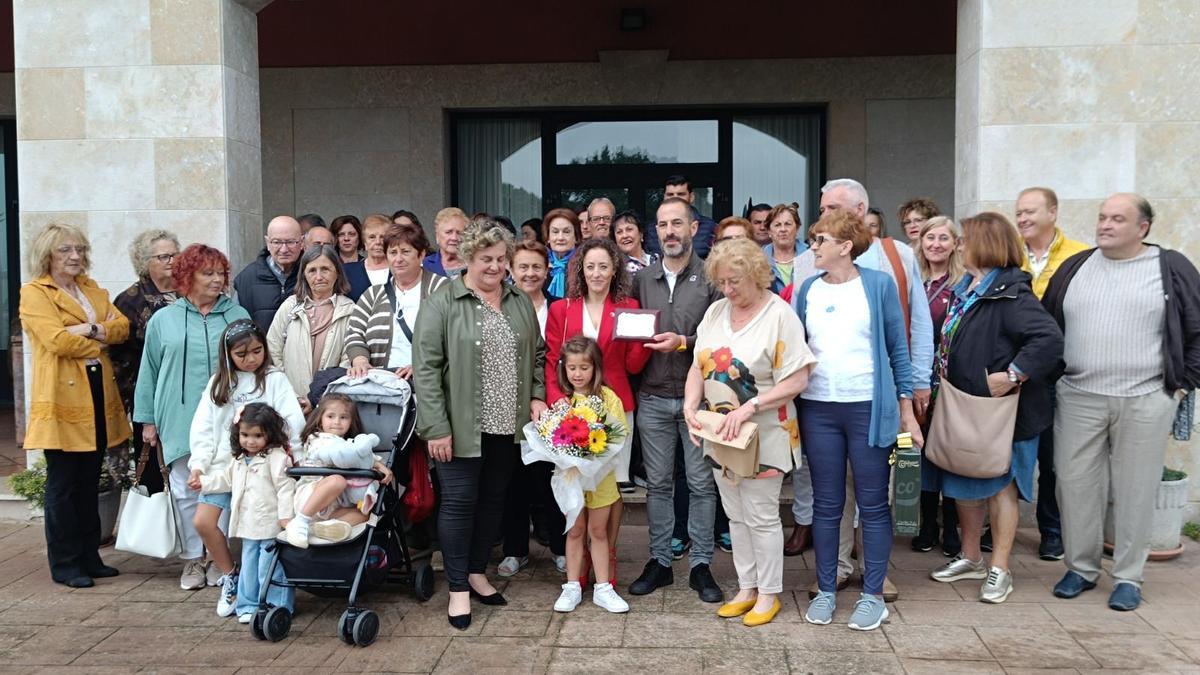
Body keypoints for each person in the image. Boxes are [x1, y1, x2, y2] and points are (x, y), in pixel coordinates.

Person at [1043, 193, 1200, 611]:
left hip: (1145, 398)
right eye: (1102, 217)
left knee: (1135, 490)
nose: (1105, 225)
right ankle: (1081, 569)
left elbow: (1197, 330)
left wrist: (1180, 386)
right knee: (1074, 486)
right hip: (1078, 396)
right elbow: (1049, 324)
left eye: (1117, 218)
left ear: (1142, 227)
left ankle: (1129, 576)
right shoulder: (1075, 267)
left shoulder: (1170, 268)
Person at [786, 178, 934, 604]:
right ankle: (830, 582)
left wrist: (908, 405)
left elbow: (900, 345)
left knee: (874, 500)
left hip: (869, 405)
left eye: (822, 237)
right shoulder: (808, 282)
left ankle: (874, 585)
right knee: (828, 502)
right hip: (818, 408)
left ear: (848, 241)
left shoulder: (884, 275)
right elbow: (795, 343)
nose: (813, 243)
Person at [412, 220, 548, 630]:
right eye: (486, 259)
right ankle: (456, 587)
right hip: (459, 428)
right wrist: (436, 427)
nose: (494, 267)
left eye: (501, 259)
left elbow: (538, 354)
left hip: (508, 424)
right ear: (468, 258)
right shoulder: (443, 301)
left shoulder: (518, 300)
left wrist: (538, 395)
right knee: (459, 503)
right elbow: (426, 368)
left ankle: (475, 572)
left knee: (494, 501)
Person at [927, 213, 1063, 605]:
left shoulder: (1012, 293)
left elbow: (1048, 340)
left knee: (1002, 487)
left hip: (1005, 415)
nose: (958, 246)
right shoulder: (968, 287)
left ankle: (999, 568)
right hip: (966, 407)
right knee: (965, 482)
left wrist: (1014, 374)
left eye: (964, 240)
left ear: (985, 244)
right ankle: (970, 558)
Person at [682, 238, 816, 627]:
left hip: (766, 433)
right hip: (722, 433)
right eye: (722, 282)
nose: (728, 290)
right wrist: (692, 407)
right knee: (735, 514)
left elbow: (799, 378)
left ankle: (769, 594)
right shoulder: (715, 312)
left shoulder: (780, 314)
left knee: (760, 515)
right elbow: (697, 366)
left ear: (757, 274)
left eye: (735, 281)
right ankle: (747, 586)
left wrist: (750, 407)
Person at [20, 223, 131, 588]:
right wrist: (96, 332)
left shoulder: (91, 289)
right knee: (64, 485)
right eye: (65, 250)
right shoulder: (35, 293)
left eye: (79, 249)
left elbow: (122, 328)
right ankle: (65, 563)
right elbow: (56, 341)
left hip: (98, 391)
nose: (75, 256)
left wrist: (88, 330)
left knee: (89, 480)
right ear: (47, 254)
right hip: (63, 398)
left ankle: (90, 555)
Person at [135, 244, 251, 591]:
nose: (217, 280)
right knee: (186, 490)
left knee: (225, 488)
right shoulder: (163, 320)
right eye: (208, 273)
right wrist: (147, 420)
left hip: (229, 417)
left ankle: (220, 558)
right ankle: (191, 560)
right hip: (178, 415)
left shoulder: (237, 315)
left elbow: (252, 365)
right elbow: (149, 371)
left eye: (220, 274)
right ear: (188, 277)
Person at [627, 197, 725, 604]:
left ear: (694, 227)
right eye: (663, 225)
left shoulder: (712, 278)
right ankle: (661, 561)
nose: (670, 231)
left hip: (698, 401)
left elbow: (726, 338)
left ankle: (701, 565)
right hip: (652, 397)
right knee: (659, 485)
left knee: (702, 485)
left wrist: (685, 343)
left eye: (677, 224)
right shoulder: (642, 279)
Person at [545, 238, 650, 577]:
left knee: (612, 483)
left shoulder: (629, 307)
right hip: (572, 411)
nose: (597, 272)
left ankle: (608, 552)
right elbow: (551, 363)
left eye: (604, 266)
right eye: (590, 266)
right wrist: (559, 405)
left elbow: (634, 366)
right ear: (580, 269)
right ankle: (581, 557)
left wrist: (642, 338)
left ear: (615, 269)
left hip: (616, 409)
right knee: (576, 480)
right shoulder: (562, 310)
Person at [189, 319, 306, 617]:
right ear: (228, 355)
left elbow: (293, 422)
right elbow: (203, 427)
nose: (251, 359)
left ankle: (264, 594)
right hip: (223, 466)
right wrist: (198, 465)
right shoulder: (220, 383)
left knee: (264, 534)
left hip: (263, 469)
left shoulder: (274, 379)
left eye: (257, 351)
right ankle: (231, 575)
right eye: (242, 354)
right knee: (203, 521)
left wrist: (296, 461)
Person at [1015, 186, 1088, 561]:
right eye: (1019, 213)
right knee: (1013, 451)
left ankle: (1052, 530)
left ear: (1053, 212)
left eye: (1030, 212)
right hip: (1021, 372)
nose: (1023, 219)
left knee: (1055, 458)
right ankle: (1001, 526)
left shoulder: (1081, 256)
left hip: (1064, 373)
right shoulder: (1012, 257)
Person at [500, 240, 567, 576]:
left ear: (547, 270)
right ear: (510, 269)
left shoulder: (559, 308)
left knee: (551, 479)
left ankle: (560, 546)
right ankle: (515, 549)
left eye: (536, 267)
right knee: (513, 480)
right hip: (508, 406)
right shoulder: (500, 305)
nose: (529, 273)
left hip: (551, 405)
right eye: (523, 267)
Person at [552, 336, 632, 614]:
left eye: (584, 368)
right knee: (575, 530)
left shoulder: (609, 399)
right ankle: (572, 585)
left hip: (601, 477)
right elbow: (554, 437)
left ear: (595, 368)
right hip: (571, 477)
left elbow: (618, 435)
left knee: (598, 531)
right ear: (564, 368)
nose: (577, 374)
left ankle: (603, 588)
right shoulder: (562, 401)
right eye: (572, 367)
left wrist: (592, 454)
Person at [198, 403, 296, 623]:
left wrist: (286, 517)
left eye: (257, 435)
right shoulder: (239, 459)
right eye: (244, 434)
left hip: (270, 522)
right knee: (250, 565)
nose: (250, 441)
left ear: (270, 434)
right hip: (248, 524)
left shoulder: (277, 458)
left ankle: (278, 604)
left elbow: (285, 488)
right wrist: (203, 482)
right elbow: (225, 479)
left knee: (269, 565)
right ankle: (248, 604)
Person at [111, 229, 180, 495]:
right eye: (163, 256)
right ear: (144, 262)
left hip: (186, 394)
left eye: (175, 254)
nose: (171, 261)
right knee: (152, 465)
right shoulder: (130, 299)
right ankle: (158, 531)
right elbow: (120, 356)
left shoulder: (189, 292)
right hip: (150, 395)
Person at [911, 216, 965, 557]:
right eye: (930, 237)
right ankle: (926, 523)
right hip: (919, 379)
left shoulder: (963, 284)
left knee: (950, 454)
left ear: (955, 243)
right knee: (923, 453)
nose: (935, 244)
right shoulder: (913, 280)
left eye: (943, 238)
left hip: (952, 381)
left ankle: (952, 526)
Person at [286, 393, 392, 547]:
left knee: (363, 515)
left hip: (334, 505)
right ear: (320, 419)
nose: (337, 422)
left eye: (343, 417)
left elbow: (357, 454)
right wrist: (375, 463)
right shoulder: (317, 439)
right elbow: (345, 455)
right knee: (337, 480)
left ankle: (320, 529)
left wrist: (379, 466)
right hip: (312, 496)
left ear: (351, 421)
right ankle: (300, 521)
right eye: (330, 416)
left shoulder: (347, 444)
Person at [345, 223, 449, 379]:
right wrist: (360, 361)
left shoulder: (443, 289)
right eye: (393, 252)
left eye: (405, 252)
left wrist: (424, 365)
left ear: (421, 255)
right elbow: (354, 332)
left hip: (428, 381)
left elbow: (454, 337)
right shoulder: (374, 294)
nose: (398, 259)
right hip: (381, 382)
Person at [266, 245, 356, 412]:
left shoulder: (349, 310)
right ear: (304, 275)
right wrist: (289, 392)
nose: (319, 276)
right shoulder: (290, 306)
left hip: (330, 405)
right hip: (289, 400)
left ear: (337, 272)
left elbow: (347, 360)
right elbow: (273, 348)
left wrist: (318, 396)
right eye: (312, 270)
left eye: (325, 269)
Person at [234, 215, 303, 332]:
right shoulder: (247, 278)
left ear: (301, 242)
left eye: (291, 242)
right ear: (267, 242)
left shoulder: (311, 274)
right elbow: (238, 326)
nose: (284, 249)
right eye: (277, 242)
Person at [644, 175, 718, 258]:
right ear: (664, 197)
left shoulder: (709, 227)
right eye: (670, 194)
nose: (675, 198)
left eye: (681, 194)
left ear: (691, 197)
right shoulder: (651, 229)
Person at [344, 214, 393, 300]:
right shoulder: (347, 272)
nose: (378, 242)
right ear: (365, 243)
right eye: (372, 237)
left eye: (383, 237)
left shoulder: (399, 269)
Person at [764, 204, 807, 293]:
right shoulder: (759, 259)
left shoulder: (810, 255)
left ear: (797, 228)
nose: (783, 229)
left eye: (788, 224)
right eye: (777, 225)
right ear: (769, 230)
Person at [542, 208, 581, 298]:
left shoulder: (584, 265)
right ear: (548, 237)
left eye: (566, 232)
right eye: (555, 232)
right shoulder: (541, 264)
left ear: (576, 237)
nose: (560, 237)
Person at [422, 207, 469, 278]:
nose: (454, 238)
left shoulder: (473, 264)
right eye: (448, 232)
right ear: (437, 235)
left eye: (459, 233)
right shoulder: (425, 265)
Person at [612, 210, 658, 275]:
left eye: (629, 229)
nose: (624, 236)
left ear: (641, 234)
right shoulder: (617, 267)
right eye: (619, 232)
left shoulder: (658, 259)